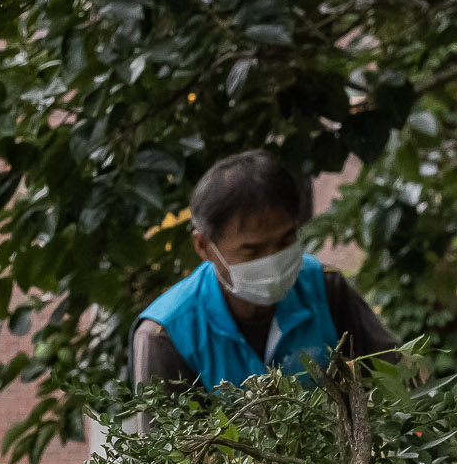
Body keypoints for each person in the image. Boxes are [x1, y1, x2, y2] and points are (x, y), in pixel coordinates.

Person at [133, 148, 397, 391]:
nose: (273, 261)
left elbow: (395, 376)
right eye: (252, 250)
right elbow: (164, 439)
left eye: (285, 241)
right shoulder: (166, 335)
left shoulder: (326, 289)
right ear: (203, 246)